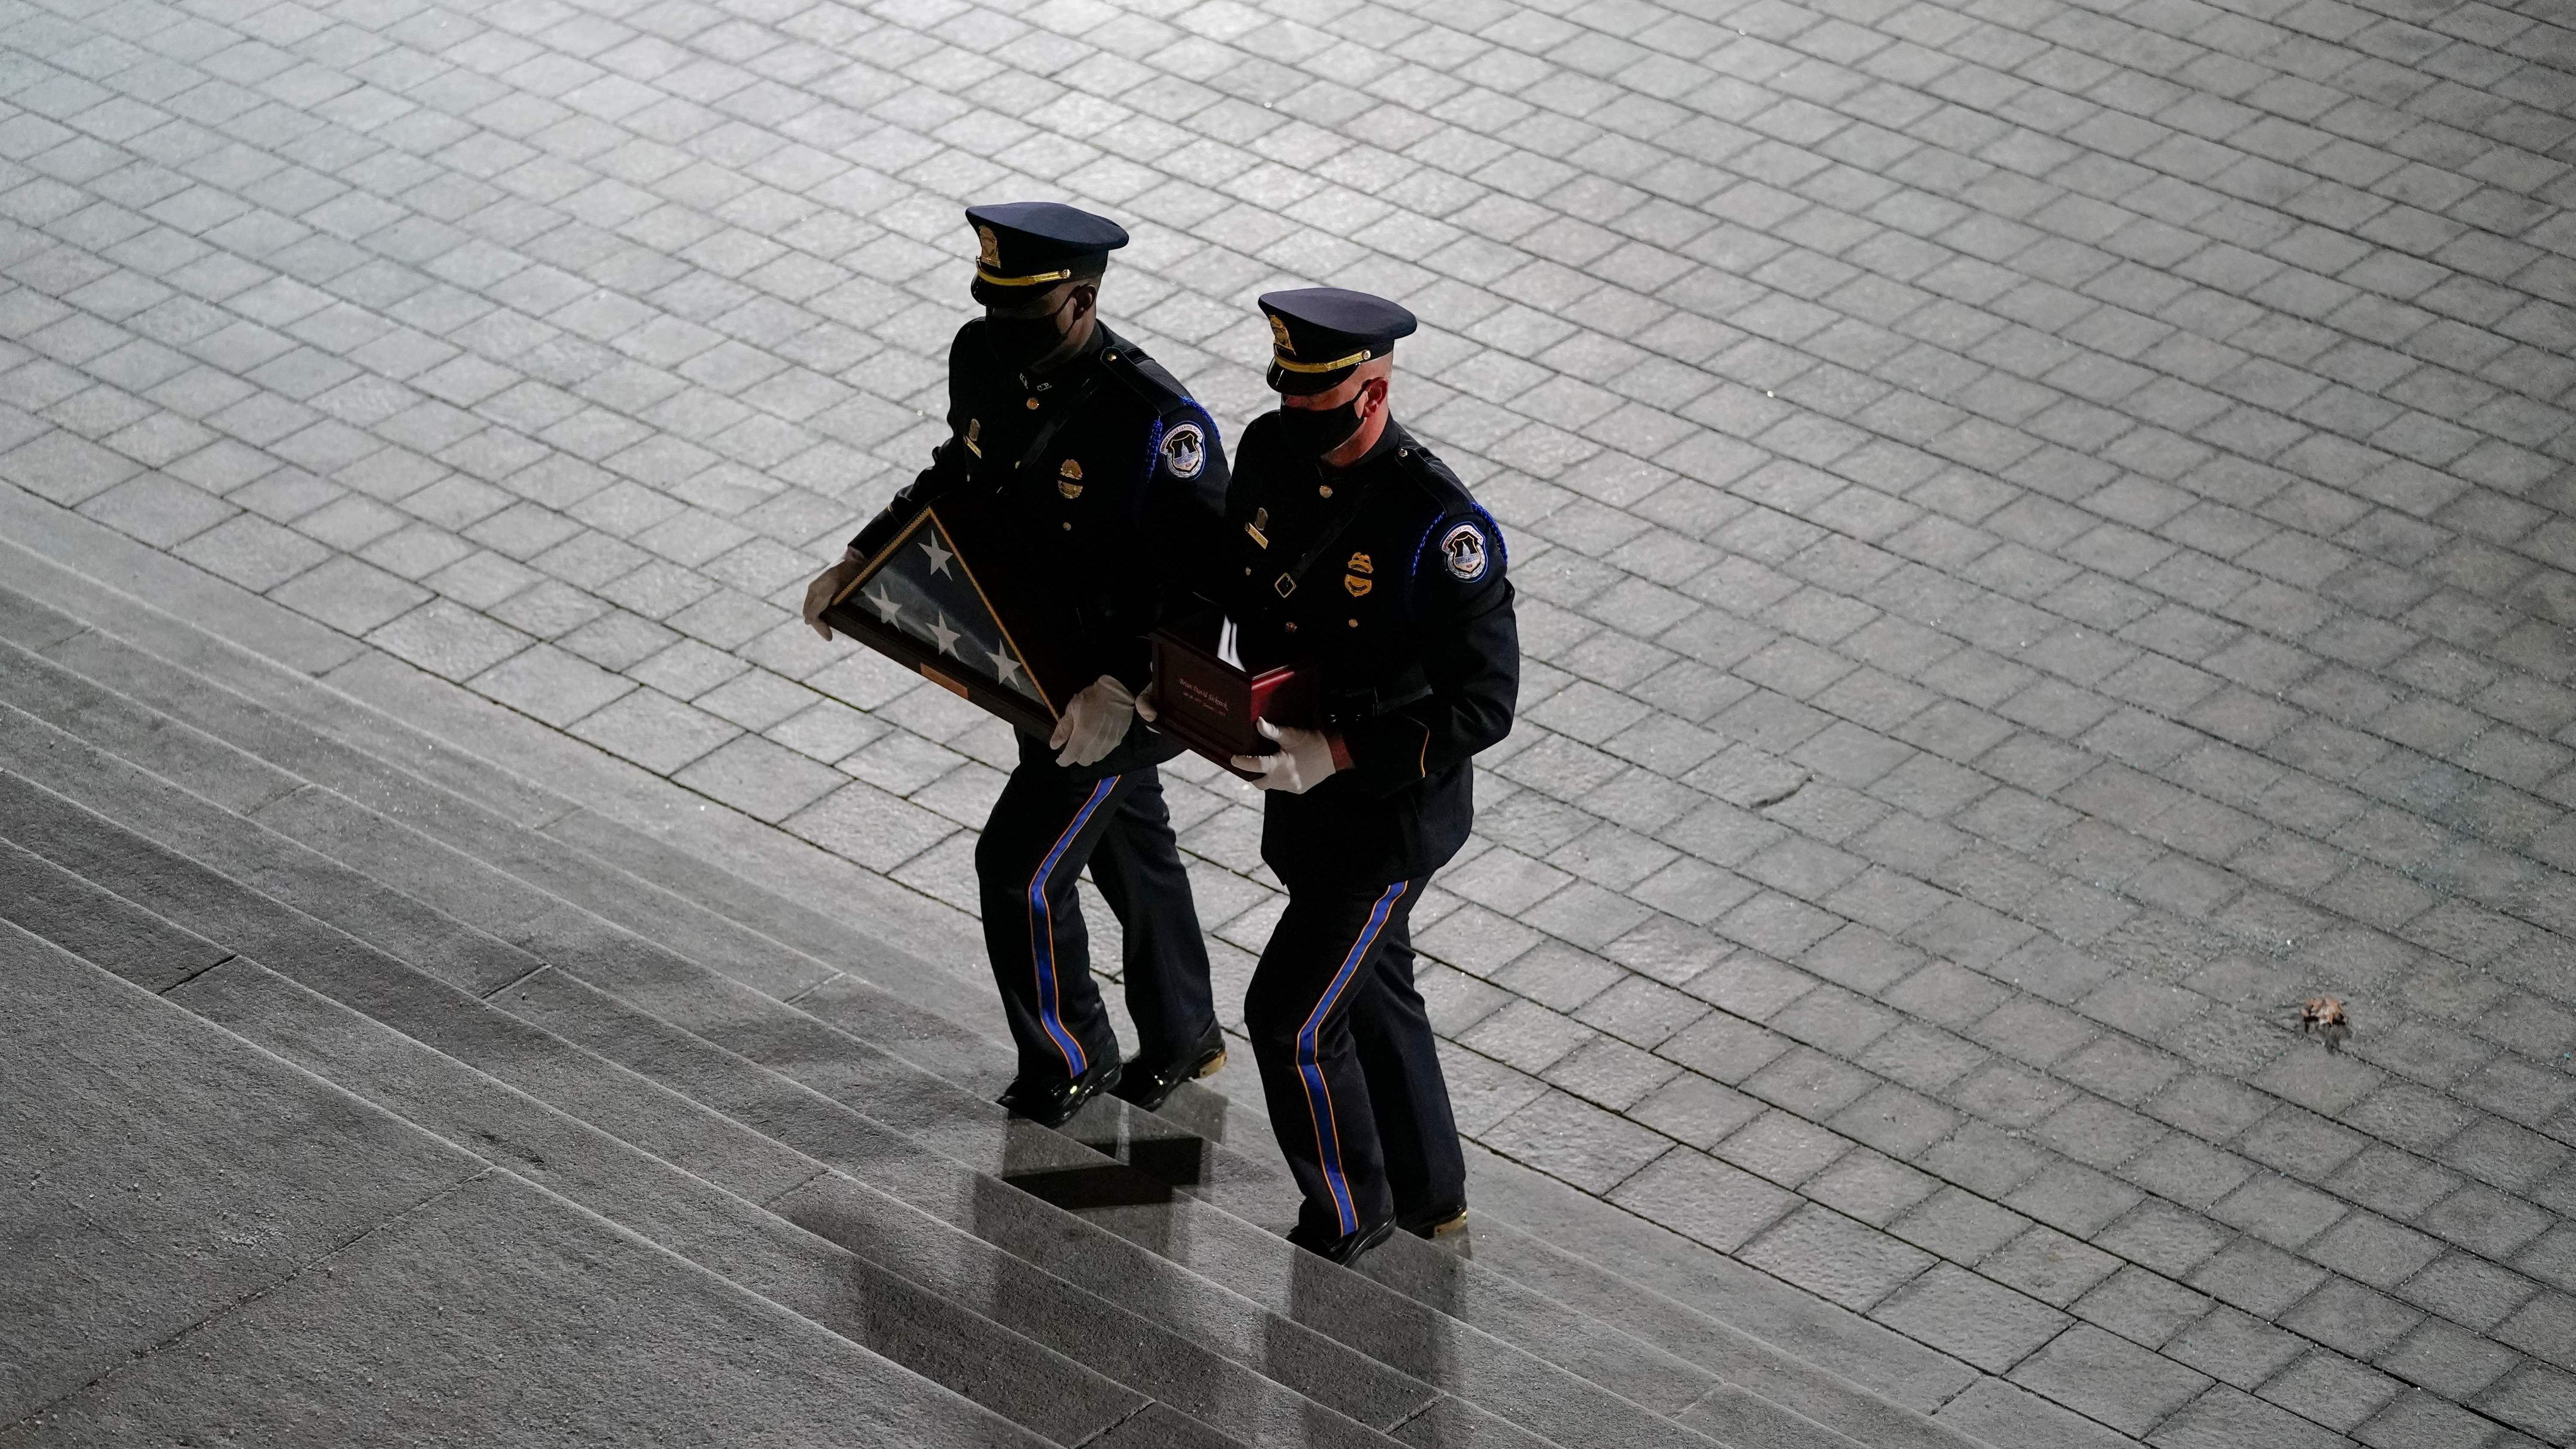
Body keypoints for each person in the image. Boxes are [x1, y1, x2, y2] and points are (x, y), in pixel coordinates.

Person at [802, 202, 1229, 1128]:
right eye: (993, 305)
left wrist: (1122, 689)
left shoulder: (1159, 422)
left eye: (1025, 313)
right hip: (1036, 666)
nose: (1004, 330)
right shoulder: (983, 353)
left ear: (1081, 301)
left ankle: (1070, 1057)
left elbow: (1202, 589)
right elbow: (962, 471)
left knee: (1018, 867)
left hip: (1118, 696)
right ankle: (1187, 1030)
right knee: (1132, 853)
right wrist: (863, 556)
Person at [1154, 288, 1518, 1263]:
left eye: (1323, 409)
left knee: (1291, 1016)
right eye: (1291, 403)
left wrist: (1342, 752)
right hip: (1300, 796)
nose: (1299, 427)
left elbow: (1484, 705)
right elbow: (1234, 576)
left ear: (1375, 392)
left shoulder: (1438, 527)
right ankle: (1434, 1194)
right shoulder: (1275, 451)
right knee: (1376, 983)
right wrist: (1181, 678)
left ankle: (1350, 1213)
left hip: (1384, 820)